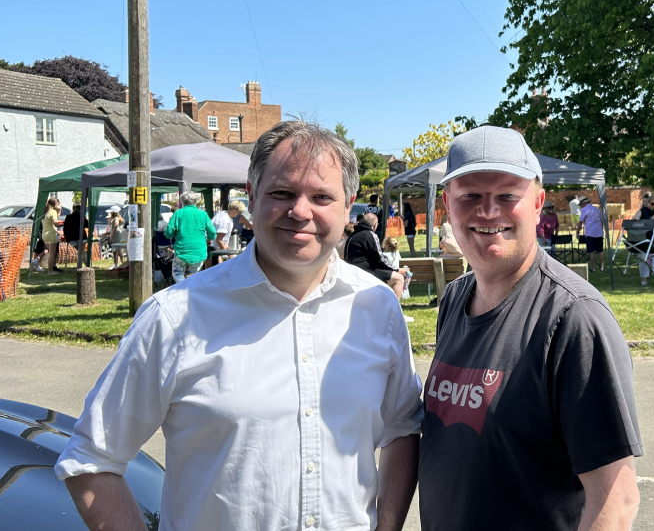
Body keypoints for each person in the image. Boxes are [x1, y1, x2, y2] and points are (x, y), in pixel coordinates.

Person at [56, 121, 423, 531]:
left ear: (348, 204)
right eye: (282, 193)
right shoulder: (176, 316)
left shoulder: (376, 307)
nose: (300, 211)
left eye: (321, 196)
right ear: (251, 195)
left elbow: (402, 427)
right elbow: (91, 460)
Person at [419, 126, 642, 531]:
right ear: (447, 207)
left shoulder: (575, 318)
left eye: (507, 195)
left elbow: (616, 501)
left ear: (538, 204)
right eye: (470, 195)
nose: (488, 211)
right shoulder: (453, 299)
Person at [345, 213, 409, 299]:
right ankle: (393, 311)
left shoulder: (353, 236)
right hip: (365, 274)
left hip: (352, 273)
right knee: (399, 278)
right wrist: (397, 269)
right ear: (375, 225)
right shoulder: (370, 234)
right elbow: (380, 259)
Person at [163, 191, 216, 282]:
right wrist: (208, 240)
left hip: (181, 249)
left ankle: (182, 289)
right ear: (196, 201)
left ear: (182, 201)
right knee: (195, 274)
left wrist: (169, 234)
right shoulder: (203, 214)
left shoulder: (178, 213)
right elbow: (213, 232)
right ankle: (190, 292)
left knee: (177, 273)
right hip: (199, 250)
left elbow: (168, 232)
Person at [632, 195, 654, 287]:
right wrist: (647, 221)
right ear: (647, 202)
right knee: (643, 259)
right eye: (652, 204)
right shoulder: (641, 211)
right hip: (644, 239)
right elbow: (635, 220)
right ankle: (644, 279)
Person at [576, 195, 605, 272]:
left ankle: (592, 268)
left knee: (591, 251)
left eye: (581, 204)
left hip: (590, 233)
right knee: (600, 251)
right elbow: (602, 221)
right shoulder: (597, 209)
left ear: (584, 203)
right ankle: (602, 268)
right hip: (599, 233)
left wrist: (577, 232)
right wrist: (601, 230)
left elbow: (580, 222)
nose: (581, 206)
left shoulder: (585, 210)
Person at [42, 198, 62, 275]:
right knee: (52, 254)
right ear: (55, 204)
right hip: (51, 234)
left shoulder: (45, 211)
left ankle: (51, 269)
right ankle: (50, 271)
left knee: (51, 253)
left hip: (45, 235)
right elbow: (55, 224)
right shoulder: (53, 211)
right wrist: (64, 223)